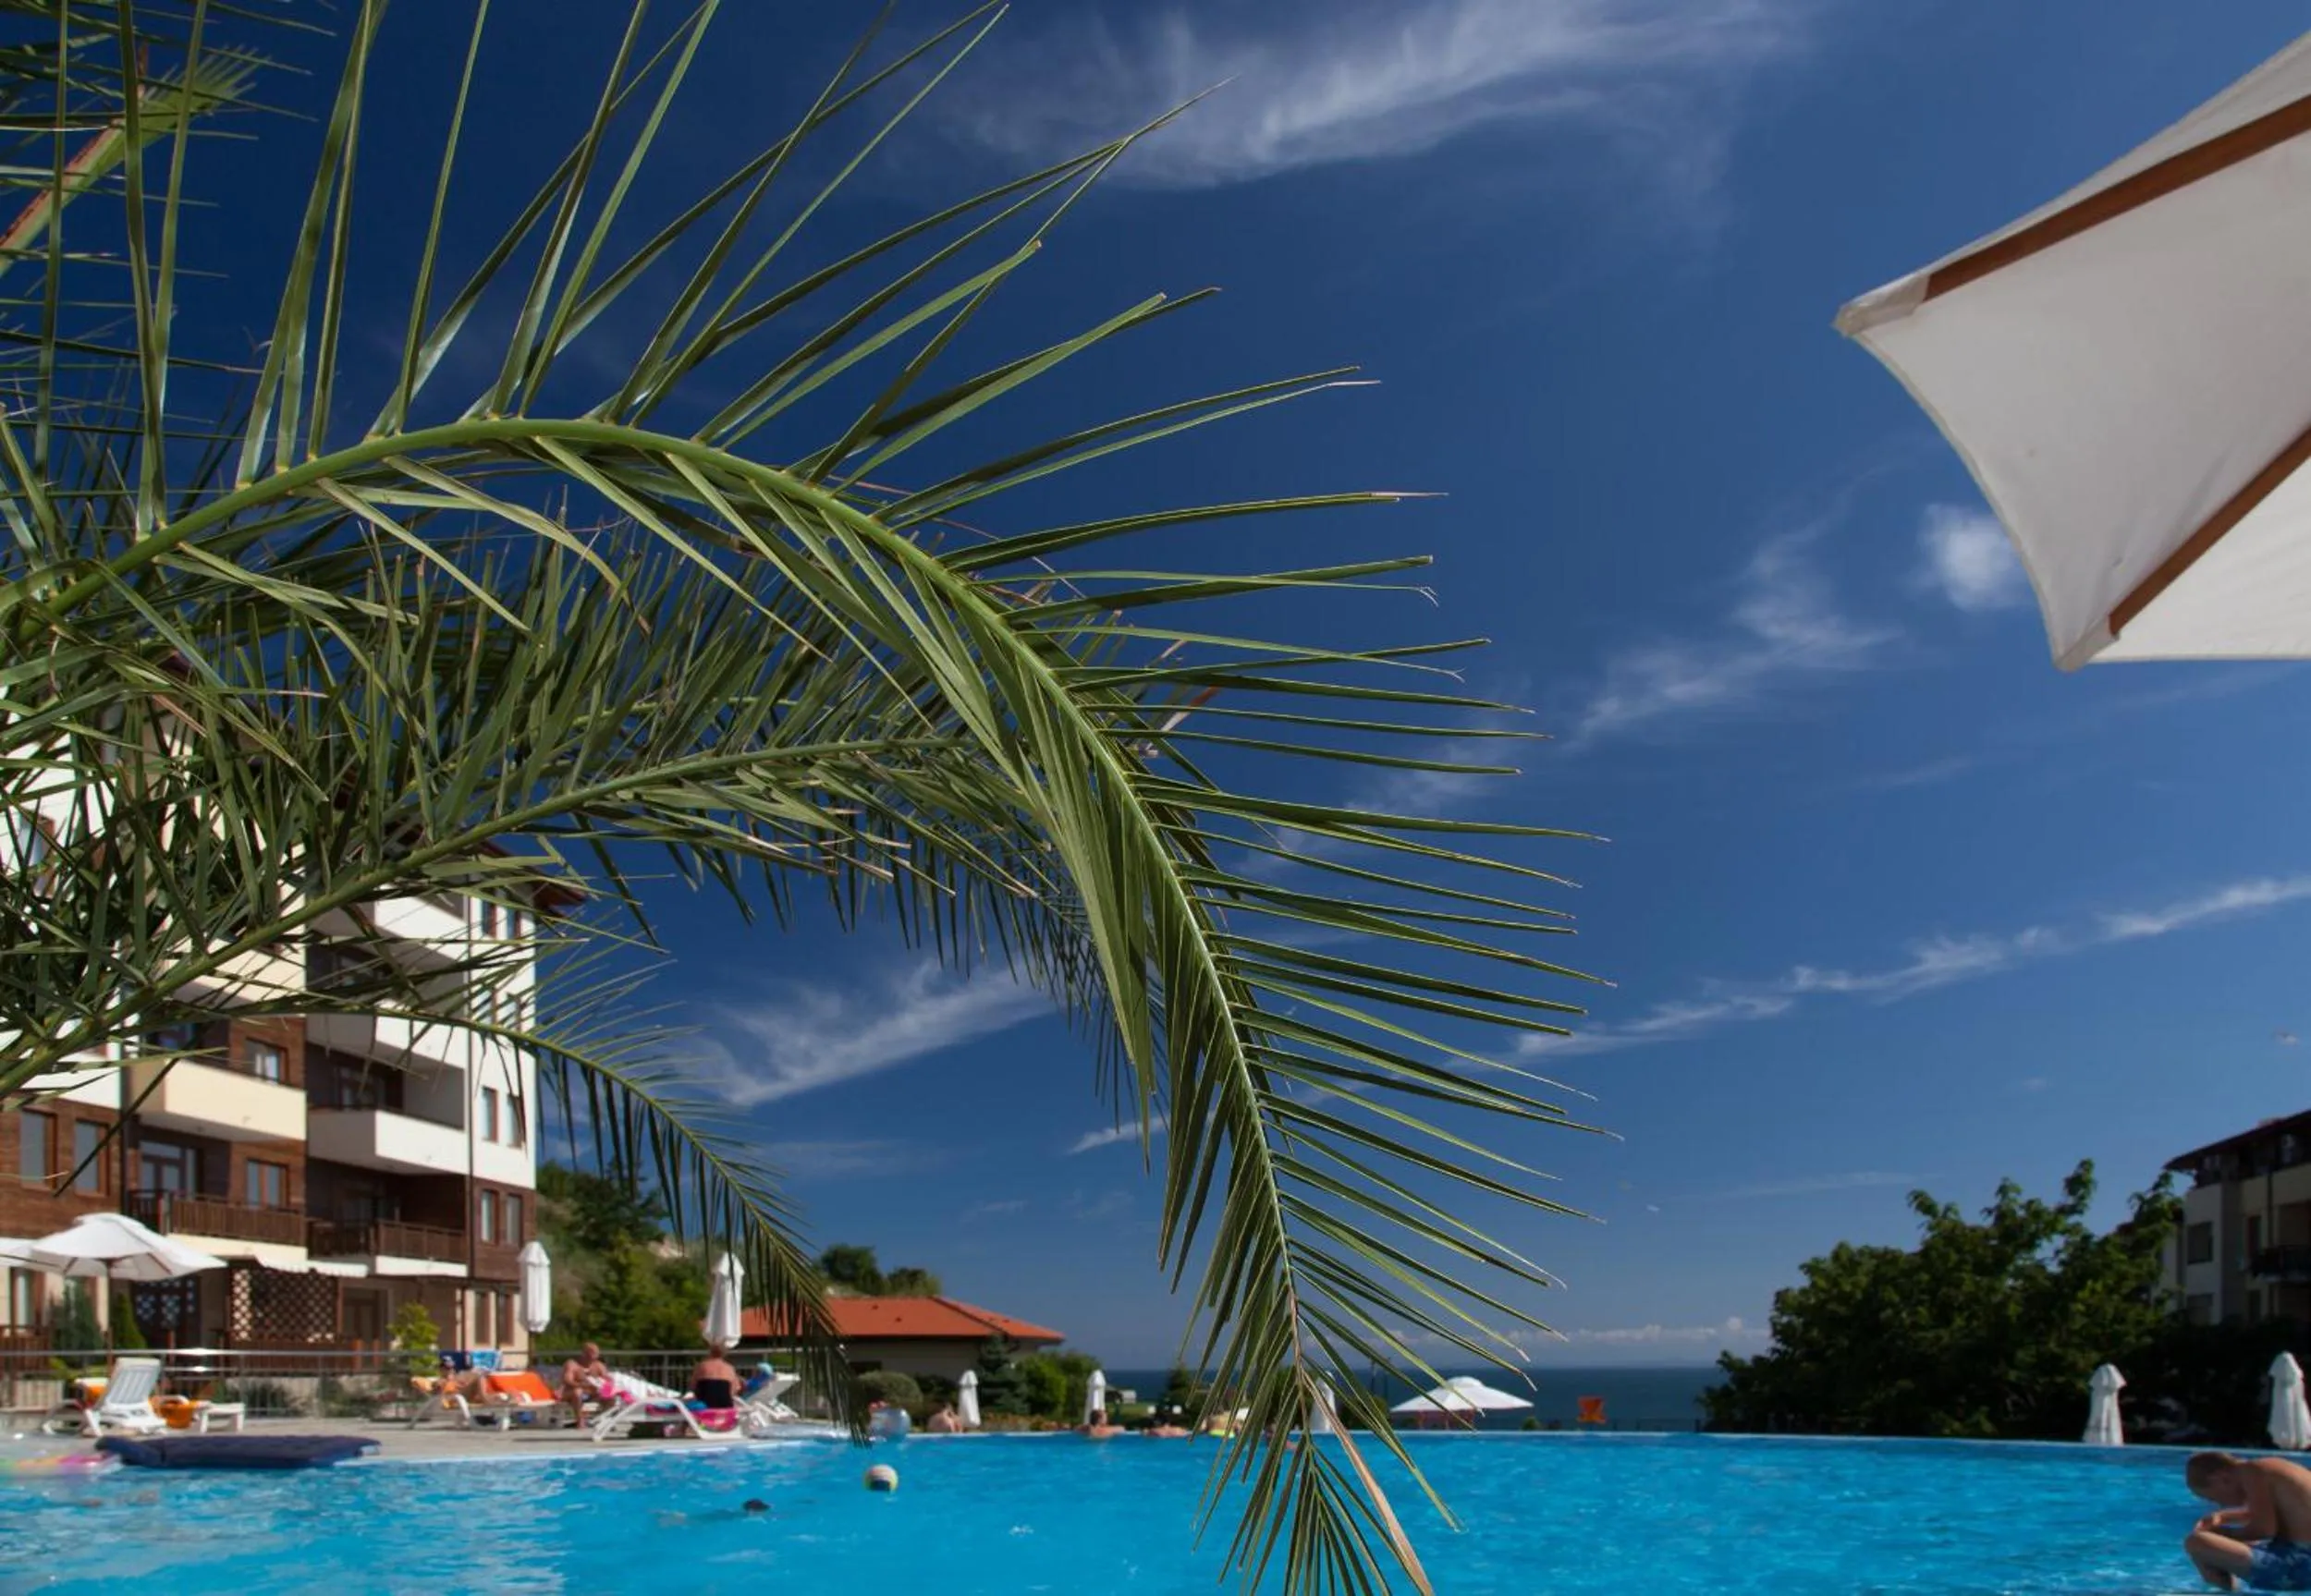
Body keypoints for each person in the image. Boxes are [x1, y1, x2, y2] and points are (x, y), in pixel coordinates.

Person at [2183, 1451, 2311, 1590]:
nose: (2220, 1505)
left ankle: (2229, 1592)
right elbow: (2272, 1512)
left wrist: (2220, 1534)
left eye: (2213, 1498)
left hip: (2299, 1567)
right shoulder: (2272, 1467)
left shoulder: (2252, 1471)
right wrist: (2222, 1517)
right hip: (2301, 1561)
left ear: (2222, 1478)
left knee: (2196, 1543)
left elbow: (2263, 1530)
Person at [560, 1342, 612, 1421]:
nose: (594, 1356)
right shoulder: (572, 1364)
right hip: (571, 1394)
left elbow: (608, 1379)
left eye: (596, 1354)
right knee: (577, 1392)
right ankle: (580, 1420)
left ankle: (605, 1418)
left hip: (592, 1394)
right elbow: (567, 1380)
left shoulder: (598, 1365)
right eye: (591, 1353)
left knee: (611, 1393)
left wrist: (601, 1384)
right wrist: (582, 1385)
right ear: (584, 1354)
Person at [691, 1343, 740, 1410]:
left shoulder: (701, 1366)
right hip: (725, 1406)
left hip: (704, 1406)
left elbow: (693, 1386)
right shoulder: (729, 1368)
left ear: (710, 1352)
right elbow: (735, 1388)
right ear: (724, 1354)